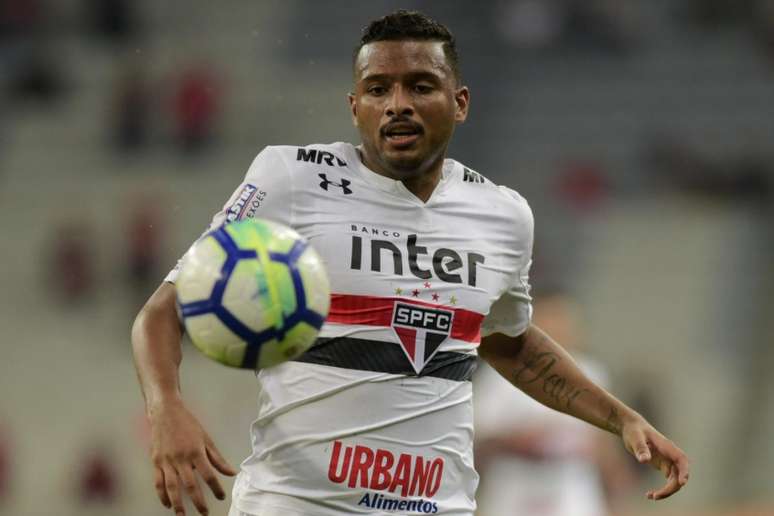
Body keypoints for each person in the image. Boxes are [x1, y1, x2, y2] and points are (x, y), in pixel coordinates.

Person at [131, 10, 690, 516]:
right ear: (355, 107)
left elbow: (510, 343)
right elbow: (163, 310)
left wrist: (621, 418)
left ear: (460, 102)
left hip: (436, 506)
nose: (397, 102)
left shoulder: (503, 215)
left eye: (420, 85)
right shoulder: (291, 180)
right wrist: (166, 409)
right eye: (378, 88)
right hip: (296, 503)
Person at [474, 293, 636, 516]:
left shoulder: (591, 373)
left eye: (564, 321)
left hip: (574, 494)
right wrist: (517, 441)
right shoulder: (500, 373)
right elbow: (476, 442)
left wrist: (618, 491)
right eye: (549, 320)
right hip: (514, 494)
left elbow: (604, 445)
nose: (558, 329)